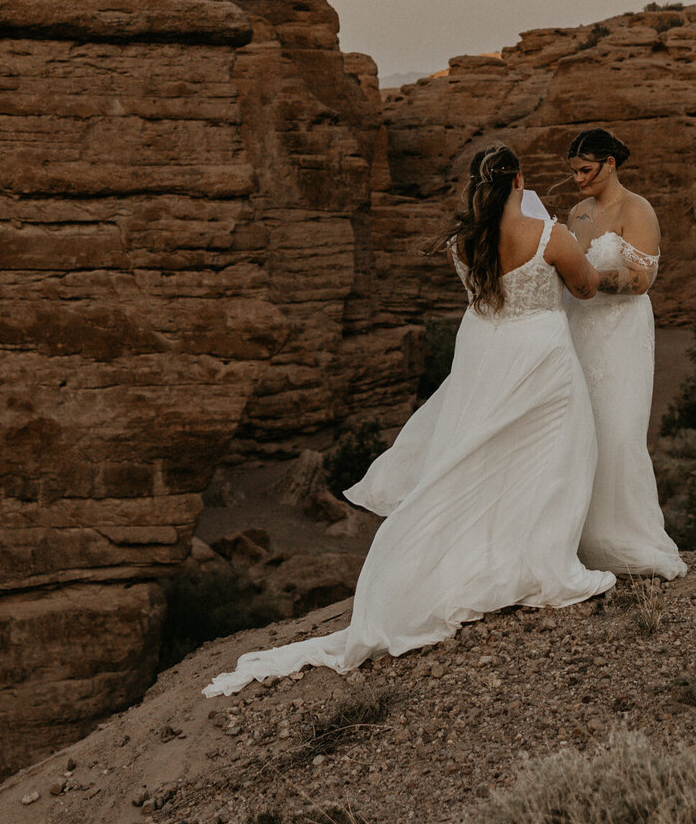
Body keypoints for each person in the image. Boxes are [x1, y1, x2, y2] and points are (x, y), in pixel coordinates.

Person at [204, 143, 613, 697]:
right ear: (518, 180)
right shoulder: (551, 237)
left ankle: (476, 558)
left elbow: (485, 296)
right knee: (549, 453)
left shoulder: (461, 242)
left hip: (483, 352)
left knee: (475, 455)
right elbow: (585, 288)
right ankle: (533, 559)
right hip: (539, 350)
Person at [565, 127, 687, 581]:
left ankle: (628, 538)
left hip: (620, 332)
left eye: (585, 170)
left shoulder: (637, 209)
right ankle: (579, 538)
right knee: (581, 427)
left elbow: (641, 280)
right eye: (574, 171)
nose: (578, 180)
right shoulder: (577, 213)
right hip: (579, 327)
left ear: (610, 164)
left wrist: (590, 281)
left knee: (618, 430)